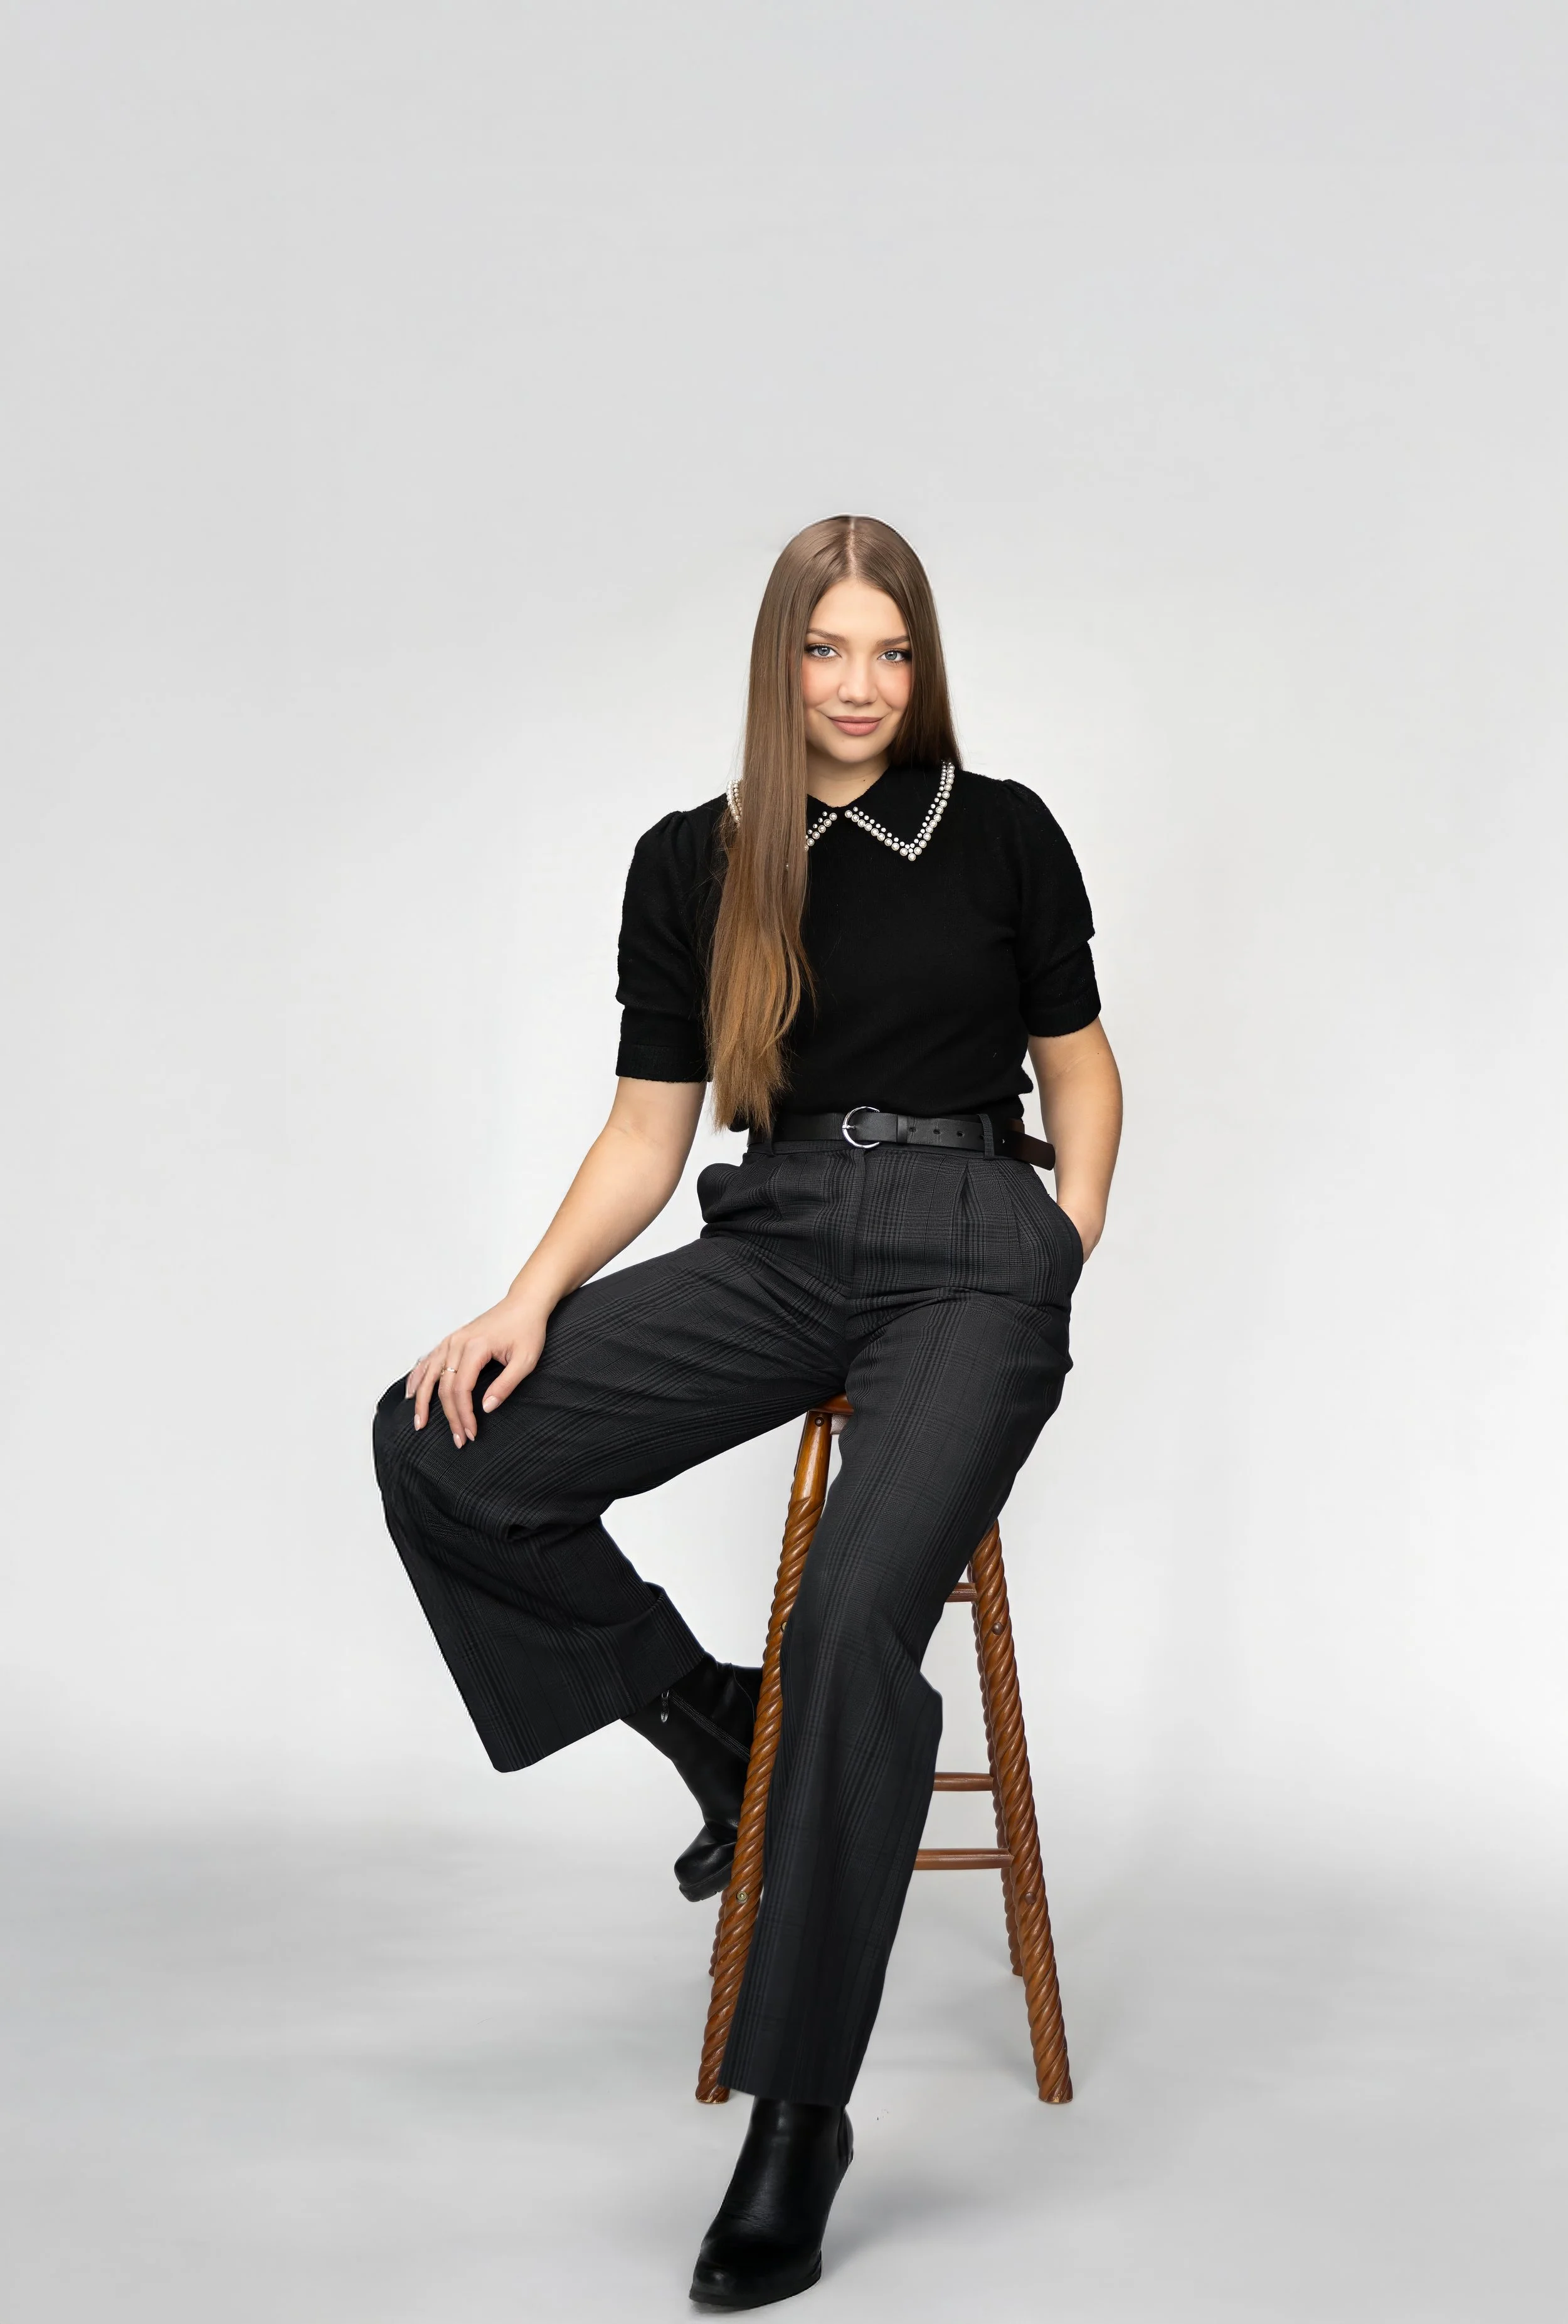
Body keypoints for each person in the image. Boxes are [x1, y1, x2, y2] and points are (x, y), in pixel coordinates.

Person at [371, 514, 1123, 2310]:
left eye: (890, 652)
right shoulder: (696, 860)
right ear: (777, 662)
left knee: (853, 1620)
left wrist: (1052, 1249)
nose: (859, 687)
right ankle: (716, 1732)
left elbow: (1082, 1070)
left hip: (966, 1251)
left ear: (921, 665)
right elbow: (650, 1129)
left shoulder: (1001, 831)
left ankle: (798, 2118)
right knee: (441, 1444)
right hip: (776, 1237)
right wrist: (528, 1297)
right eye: (825, 651)